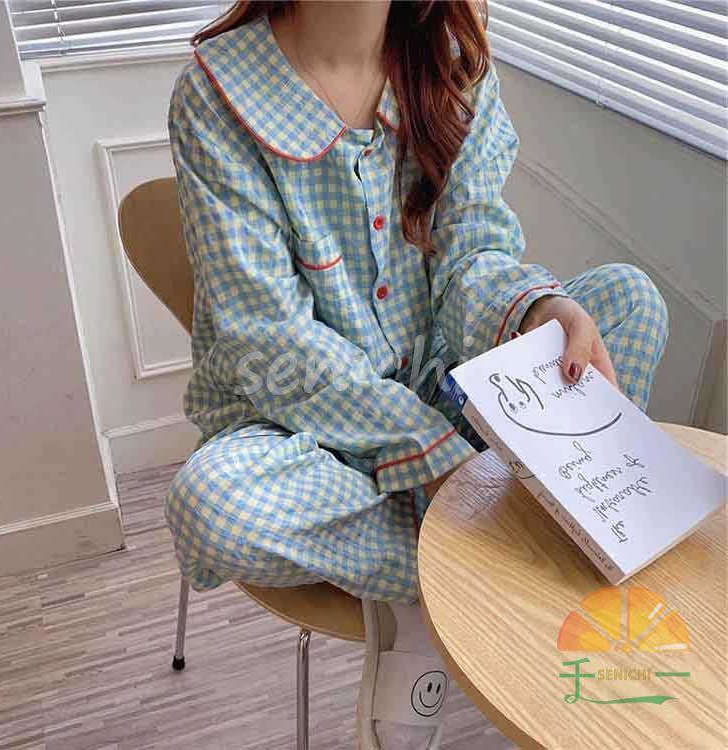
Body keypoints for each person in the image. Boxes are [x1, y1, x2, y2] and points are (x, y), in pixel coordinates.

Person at [164, 2, 668, 747]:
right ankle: (472, 578)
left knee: (629, 302)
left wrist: (535, 309)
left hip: (440, 379)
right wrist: (439, 459)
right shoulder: (218, 93)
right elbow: (270, 341)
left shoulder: (452, 61)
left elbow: (473, 254)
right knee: (214, 506)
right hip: (294, 423)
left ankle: (463, 555)